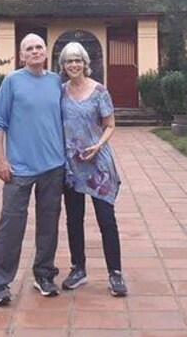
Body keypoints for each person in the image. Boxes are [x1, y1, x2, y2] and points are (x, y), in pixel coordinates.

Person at [0, 33, 66, 306]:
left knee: (49, 224)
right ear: (22, 56)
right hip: (18, 168)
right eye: (29, 48)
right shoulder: (12, 81)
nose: (35, 51)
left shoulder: (56, 82)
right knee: (11, 224)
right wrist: (0, 159)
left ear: (46, 53)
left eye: (39, 47)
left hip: (53, 166)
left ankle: (44, 274)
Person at [58, 41, 128, 297]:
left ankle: (115, 273)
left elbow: (110, 124)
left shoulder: (99, 91)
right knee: (74, 219)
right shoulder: (60, 91)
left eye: (78, 60)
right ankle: (78, 268)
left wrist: (98, 146)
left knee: (106, 220)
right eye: (69, 61)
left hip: (98, 164)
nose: (74, 64)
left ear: (85, 63)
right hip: (72, 165)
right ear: (63, 66)